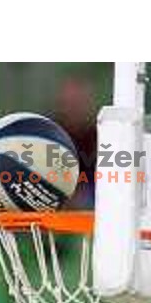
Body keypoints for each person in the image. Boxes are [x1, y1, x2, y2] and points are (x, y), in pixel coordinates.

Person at [53, 76, 97, 209]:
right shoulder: (49, 137)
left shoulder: (99, 137)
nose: (73, 108)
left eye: (79, 102)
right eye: (70, 102)